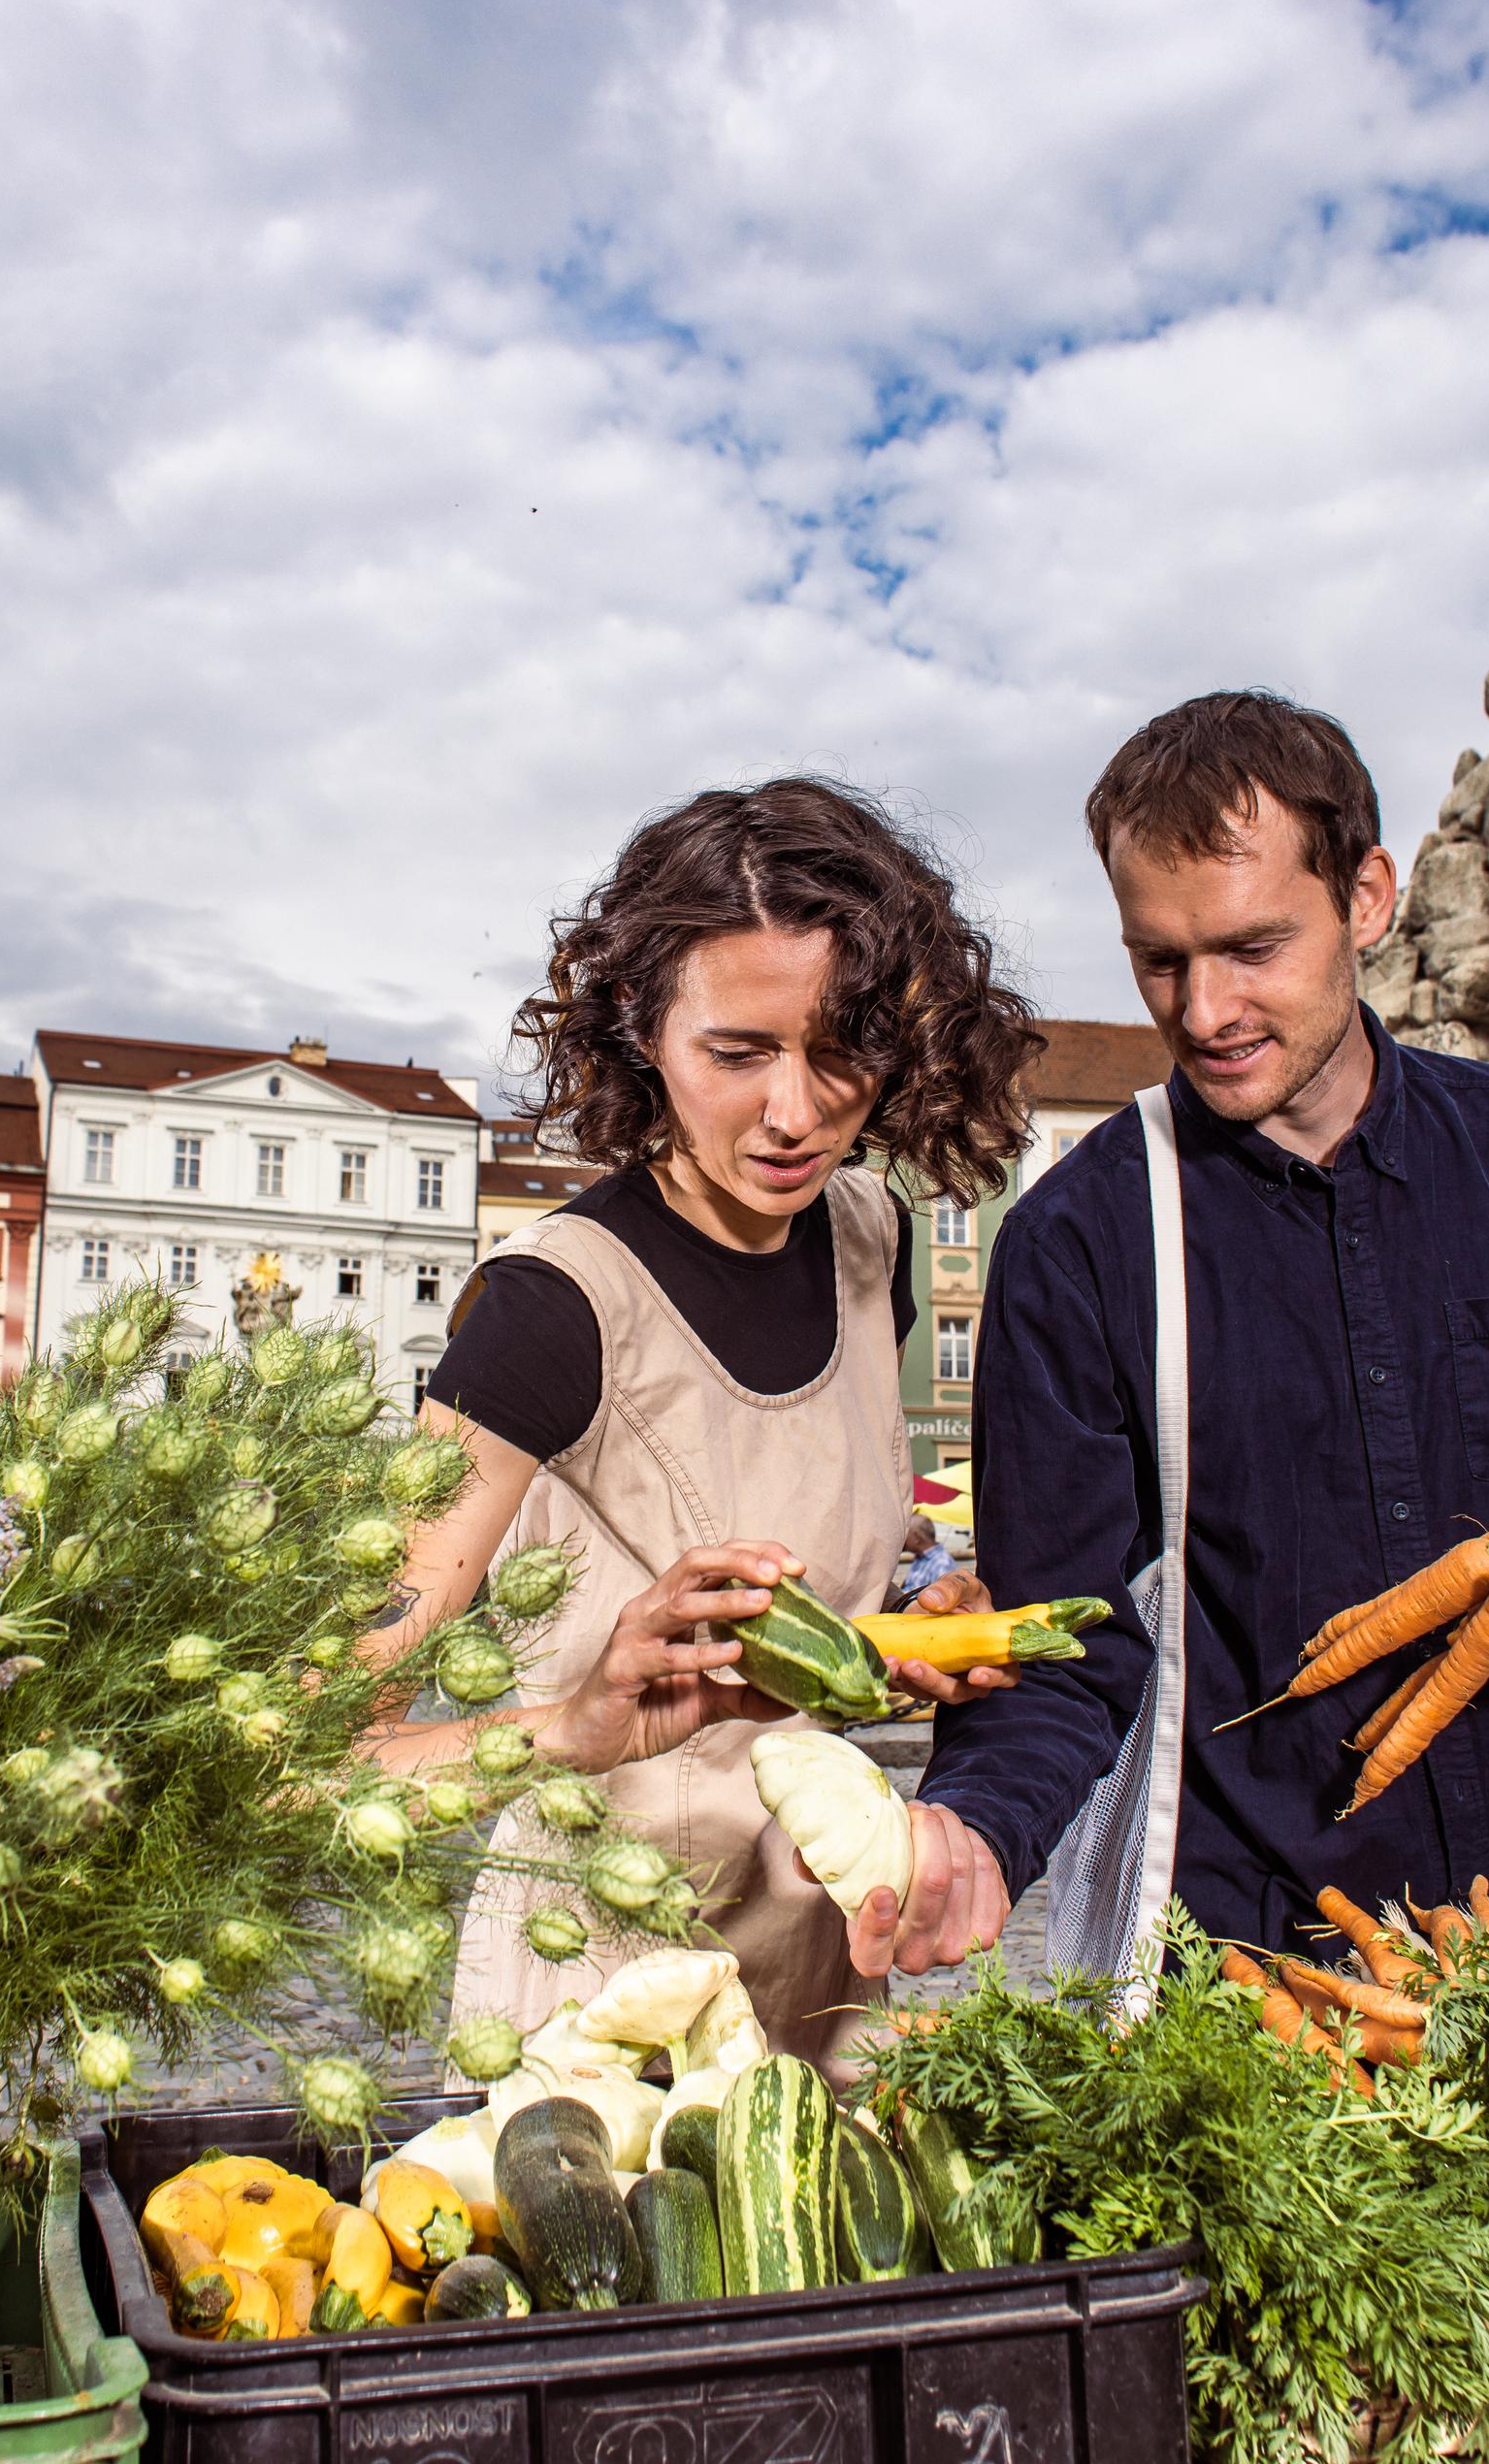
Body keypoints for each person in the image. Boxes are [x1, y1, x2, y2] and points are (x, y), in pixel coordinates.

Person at [896, 690, 1489, 1973]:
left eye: (1253, 947)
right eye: (1160, 960)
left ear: (1368, 899)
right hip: (1244, 1973)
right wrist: (975, 1830)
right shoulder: (1076, 1241)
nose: (1205, 1011)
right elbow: (1058, 1643)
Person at [364, 777, 1042, 2059]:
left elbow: (788, 1590)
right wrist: (573, 1726)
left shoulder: (871, 1236)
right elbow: (322, 1755)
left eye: (843, 1048)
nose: (797, 1111)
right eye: (738, 1053)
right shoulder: (549, 1309)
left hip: (821, 1992)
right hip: (593, 2020)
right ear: (641, 1025)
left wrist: (897, 1629)